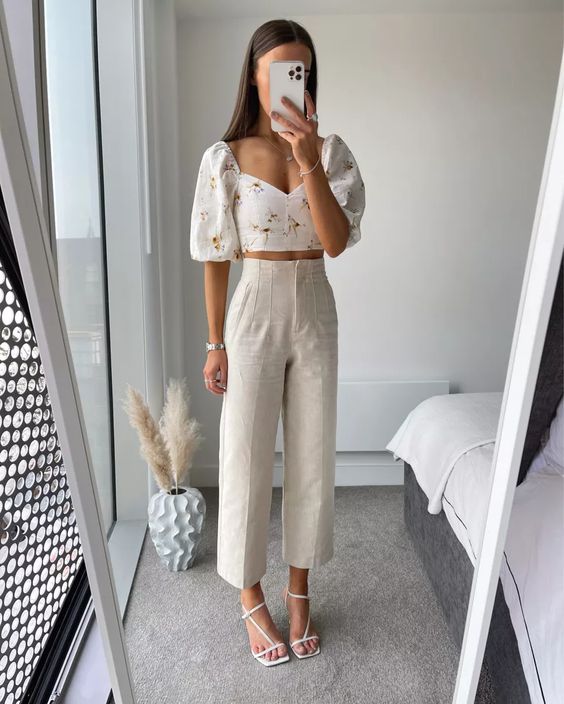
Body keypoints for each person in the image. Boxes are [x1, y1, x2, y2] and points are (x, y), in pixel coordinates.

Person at [189, 18, 365, 666]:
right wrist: (214, 343)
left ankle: (299, 592)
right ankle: (250, 597)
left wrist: (308, 159)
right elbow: (215, 254)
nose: (293, 81)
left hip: (315, 302)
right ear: (255, 76)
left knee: (313, 453)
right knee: (245, 453)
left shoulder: (332, 152)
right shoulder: (226, 157)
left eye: (302, 72)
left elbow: (335, 241)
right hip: (255, 304)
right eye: (281, 71)